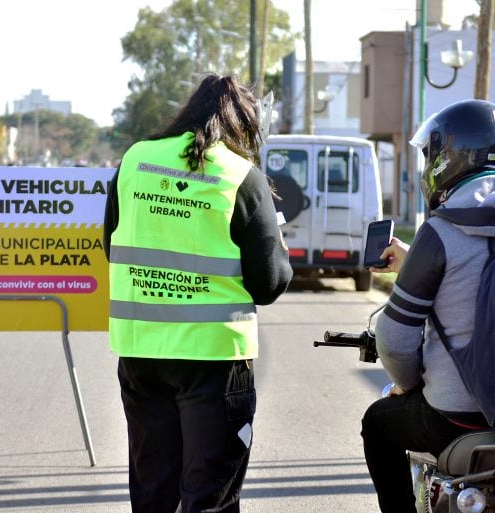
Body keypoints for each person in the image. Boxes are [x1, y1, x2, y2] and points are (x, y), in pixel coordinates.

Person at [360, 99, 495, 512]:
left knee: (378, 423)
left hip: (460, 415)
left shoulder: (439, 231)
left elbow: (396, 338)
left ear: (447, 158)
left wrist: (408, 384)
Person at [103, 73, 292, 513]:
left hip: (141, 352)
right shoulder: (241, 176)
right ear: (243, 125)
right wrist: (280, 251)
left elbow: (111, 245)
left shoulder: (136, 160)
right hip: (214, 359)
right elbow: (267, 285)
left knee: (153, 491)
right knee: (210, 496)